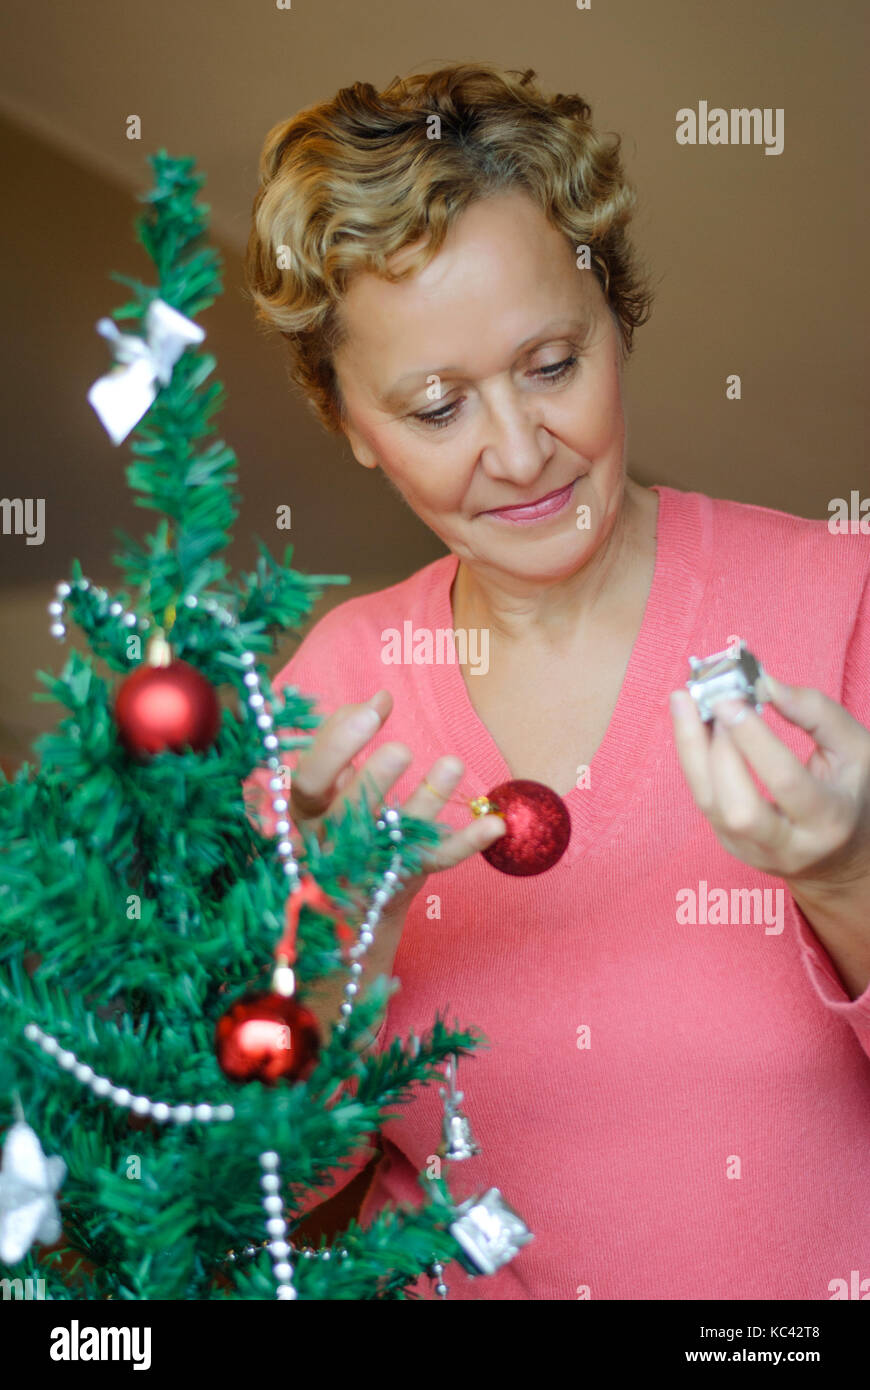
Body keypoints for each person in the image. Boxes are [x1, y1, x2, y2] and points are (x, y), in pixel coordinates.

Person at [244, 62, 870, 1300]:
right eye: (435, 406)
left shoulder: (838, 603)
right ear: (351, 423)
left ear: (616, 319)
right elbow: (277, 1190)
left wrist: (845, 874)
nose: (522, 452)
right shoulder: (331, 693)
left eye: (550, 364)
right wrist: (338, 958)